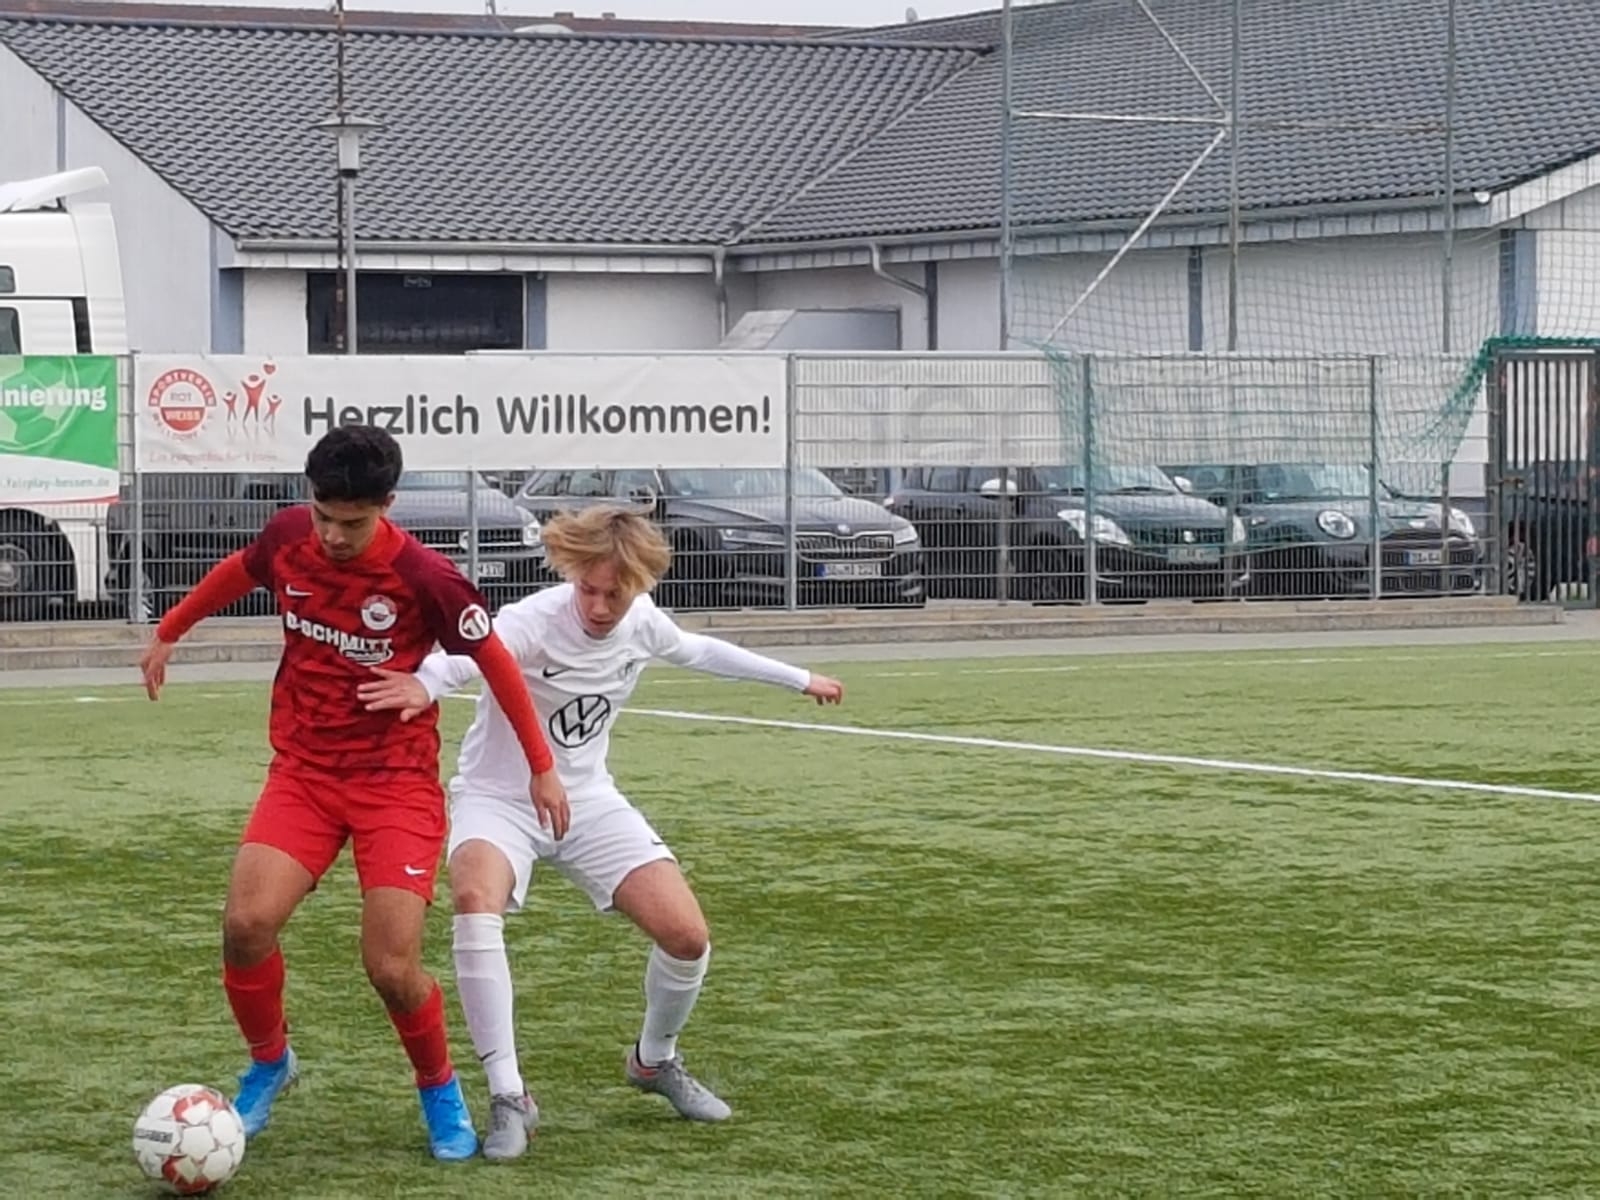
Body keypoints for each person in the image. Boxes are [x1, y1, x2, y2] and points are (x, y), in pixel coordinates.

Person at [355, 504, 844, 1161]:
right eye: (588, 589)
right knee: (475, 901)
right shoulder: (535, 619)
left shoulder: (641, 622)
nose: (599, 606)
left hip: (587, 800)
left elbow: (699, 650)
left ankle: (654, 1060)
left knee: (688, 937)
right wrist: (424, 683)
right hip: (498, 801)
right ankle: (509, 1097)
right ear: (572, 573)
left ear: (640, 585)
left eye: (616, 593)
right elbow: (466, 658)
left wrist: (799, 679)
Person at [138, 425, 571, 1162]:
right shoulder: (288, 537)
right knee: (245, 924)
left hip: (394, 787)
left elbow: (496, 662)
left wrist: (542, 765)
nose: (333, 536)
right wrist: (170, 630)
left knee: (391, 968)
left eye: (353, 522)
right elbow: (239, 572)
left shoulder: (426, 577)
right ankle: (270, 1063)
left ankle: (439, 1087)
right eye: (323, 516)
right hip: (304, 774)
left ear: (387, 505)